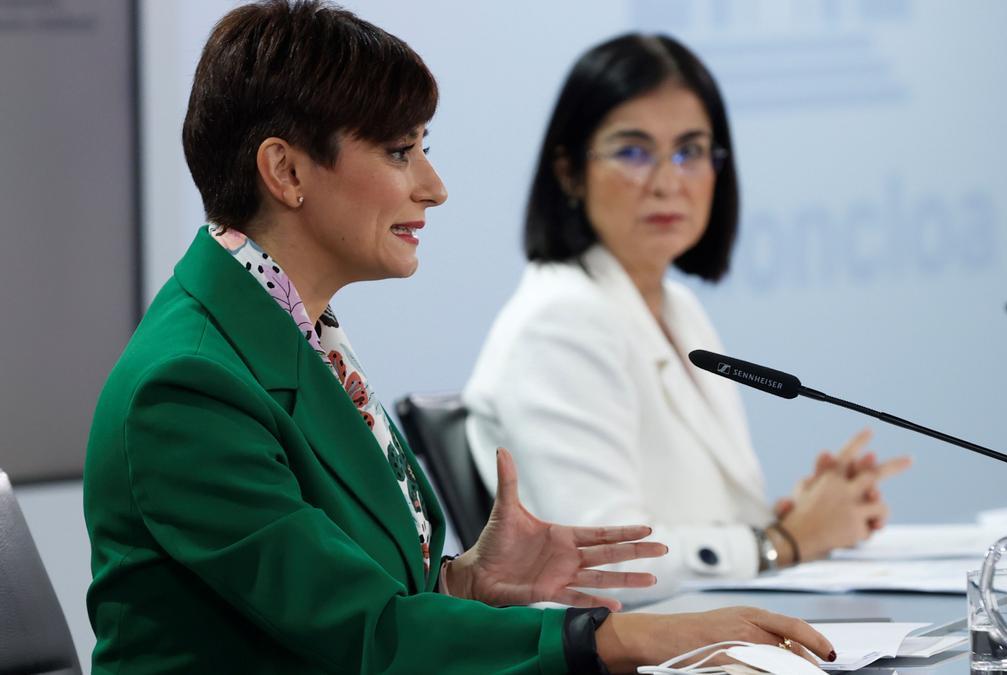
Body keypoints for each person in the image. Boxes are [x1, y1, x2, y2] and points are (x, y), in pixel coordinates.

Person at [83, 2, 839, 673]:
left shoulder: (290, 329)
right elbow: (367, 636)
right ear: (285, 170)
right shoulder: (188, 386)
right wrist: (617, 639)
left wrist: (464, 581)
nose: (433, 185)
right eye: (399, 152)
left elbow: (342, 604)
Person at [464, 33, 911, 602]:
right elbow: (602, 566)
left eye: (691, 151)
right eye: (633, 151)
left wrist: (804, 516)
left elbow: (700, 514)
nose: (669, 181)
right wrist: (781, 543)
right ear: (569, 171)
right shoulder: (560, 322)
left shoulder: (677, 307)